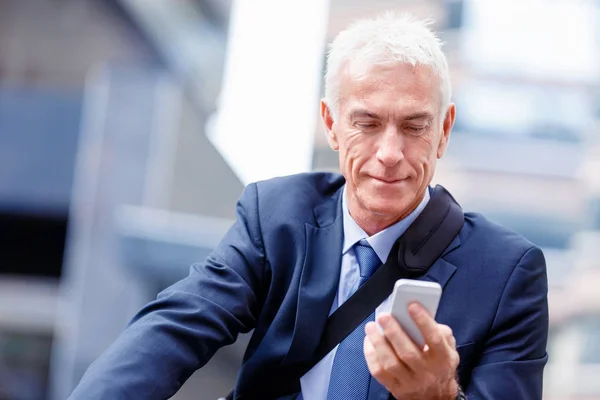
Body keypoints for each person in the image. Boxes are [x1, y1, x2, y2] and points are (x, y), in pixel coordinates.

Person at [69, 12, 548, 400]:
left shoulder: (507, 273)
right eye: (367, 122)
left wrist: (439, 396)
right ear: (331, 124)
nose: (389, 152)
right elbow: (173, 329)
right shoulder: (275, 215)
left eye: (414, 126)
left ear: (444, 130)